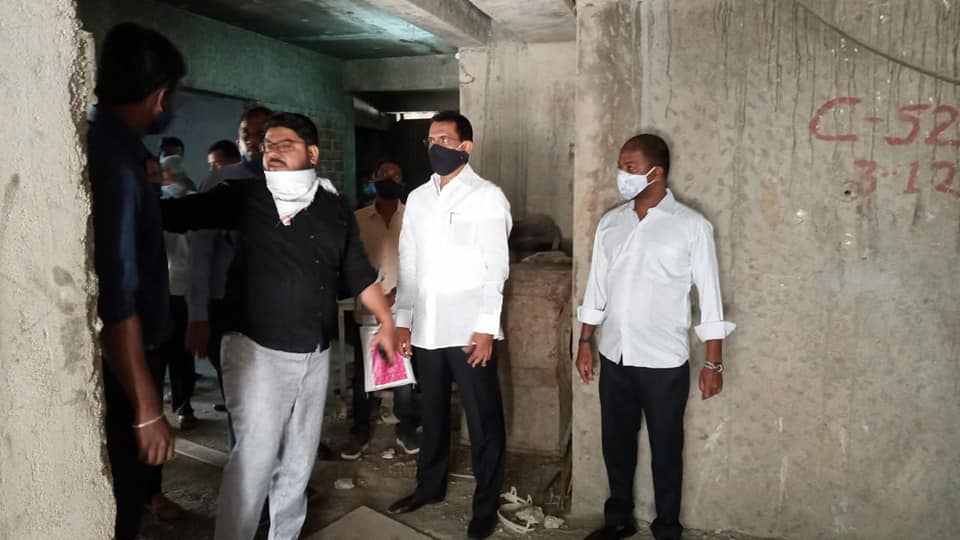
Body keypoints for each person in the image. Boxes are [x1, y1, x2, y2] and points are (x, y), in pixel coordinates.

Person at [162, 112, 398, 540]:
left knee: (299, 461)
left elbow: (359, 272)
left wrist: (386, 321)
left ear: (312, 153)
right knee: (254, 460)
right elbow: (180, 214)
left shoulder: (332, 208)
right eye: (268, 145)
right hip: (257, 350)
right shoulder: (244, 196)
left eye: (284, 144)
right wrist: (135, 195)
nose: (271, 151)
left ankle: (283, 535)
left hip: (314, 351)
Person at [575, 134, 735, 540]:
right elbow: (596, 287)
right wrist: (585, 341)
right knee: (616, 444)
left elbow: (710, 296)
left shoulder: (691, 226)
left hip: (664, 361)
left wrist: (714, 363)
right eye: (620, 166)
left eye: (629, 167)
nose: (621, 175)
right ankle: (618, 520)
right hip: (615, 354)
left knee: (666, 449)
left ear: (656, 172)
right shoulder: (611, 223)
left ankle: (667, 527)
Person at [388, 111, 512, 540]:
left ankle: (485, 506)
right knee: (434, 413)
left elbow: (496, 268)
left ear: (465, 147)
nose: (436, 145)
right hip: (427, 328)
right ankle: (429, 487)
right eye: (431, 139)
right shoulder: (419, 198)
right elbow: (408, 263)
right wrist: (403, 321)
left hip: (468, 330)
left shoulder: (487, 197)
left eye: (444, 138)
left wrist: (486, 327)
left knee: (482, 419)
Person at [87, 23, 185, 540]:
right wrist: (148, 409)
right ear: (160, 95)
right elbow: (117, 297)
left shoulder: (106, 143)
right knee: (121, 500)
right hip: (121, 360)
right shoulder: (121, 169)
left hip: (117, 356)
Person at [185, 107, 271, 428]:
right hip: (231, 309)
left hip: (280, 309)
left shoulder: (292, 183)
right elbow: (200, 255)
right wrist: (198, 315)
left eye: (262, 133)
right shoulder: (219, 183)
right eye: (247, 134)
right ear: (238, 141)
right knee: (242, 400)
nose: (254, 140)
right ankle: (246, 458)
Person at [340, 159, 420, 461]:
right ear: (373, 179)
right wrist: (374, 296)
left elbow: (422, 262)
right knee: (365, 375)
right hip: (368, 309)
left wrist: (397, 293)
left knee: (404, 373)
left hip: (405, 308)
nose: (389, 179)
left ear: (402, 183)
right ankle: (359, 430)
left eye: (395, 176)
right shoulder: (358, 219)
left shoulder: (414, 217)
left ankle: (405, 428)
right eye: (384, 174)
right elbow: (350, 263)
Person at [155, 155, 198, 433]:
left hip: (170, 289)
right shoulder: (191, 201)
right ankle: (182, 408)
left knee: (168, 352)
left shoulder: (162, 202)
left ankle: (170, 409)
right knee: (179, 353)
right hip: (179, 289)